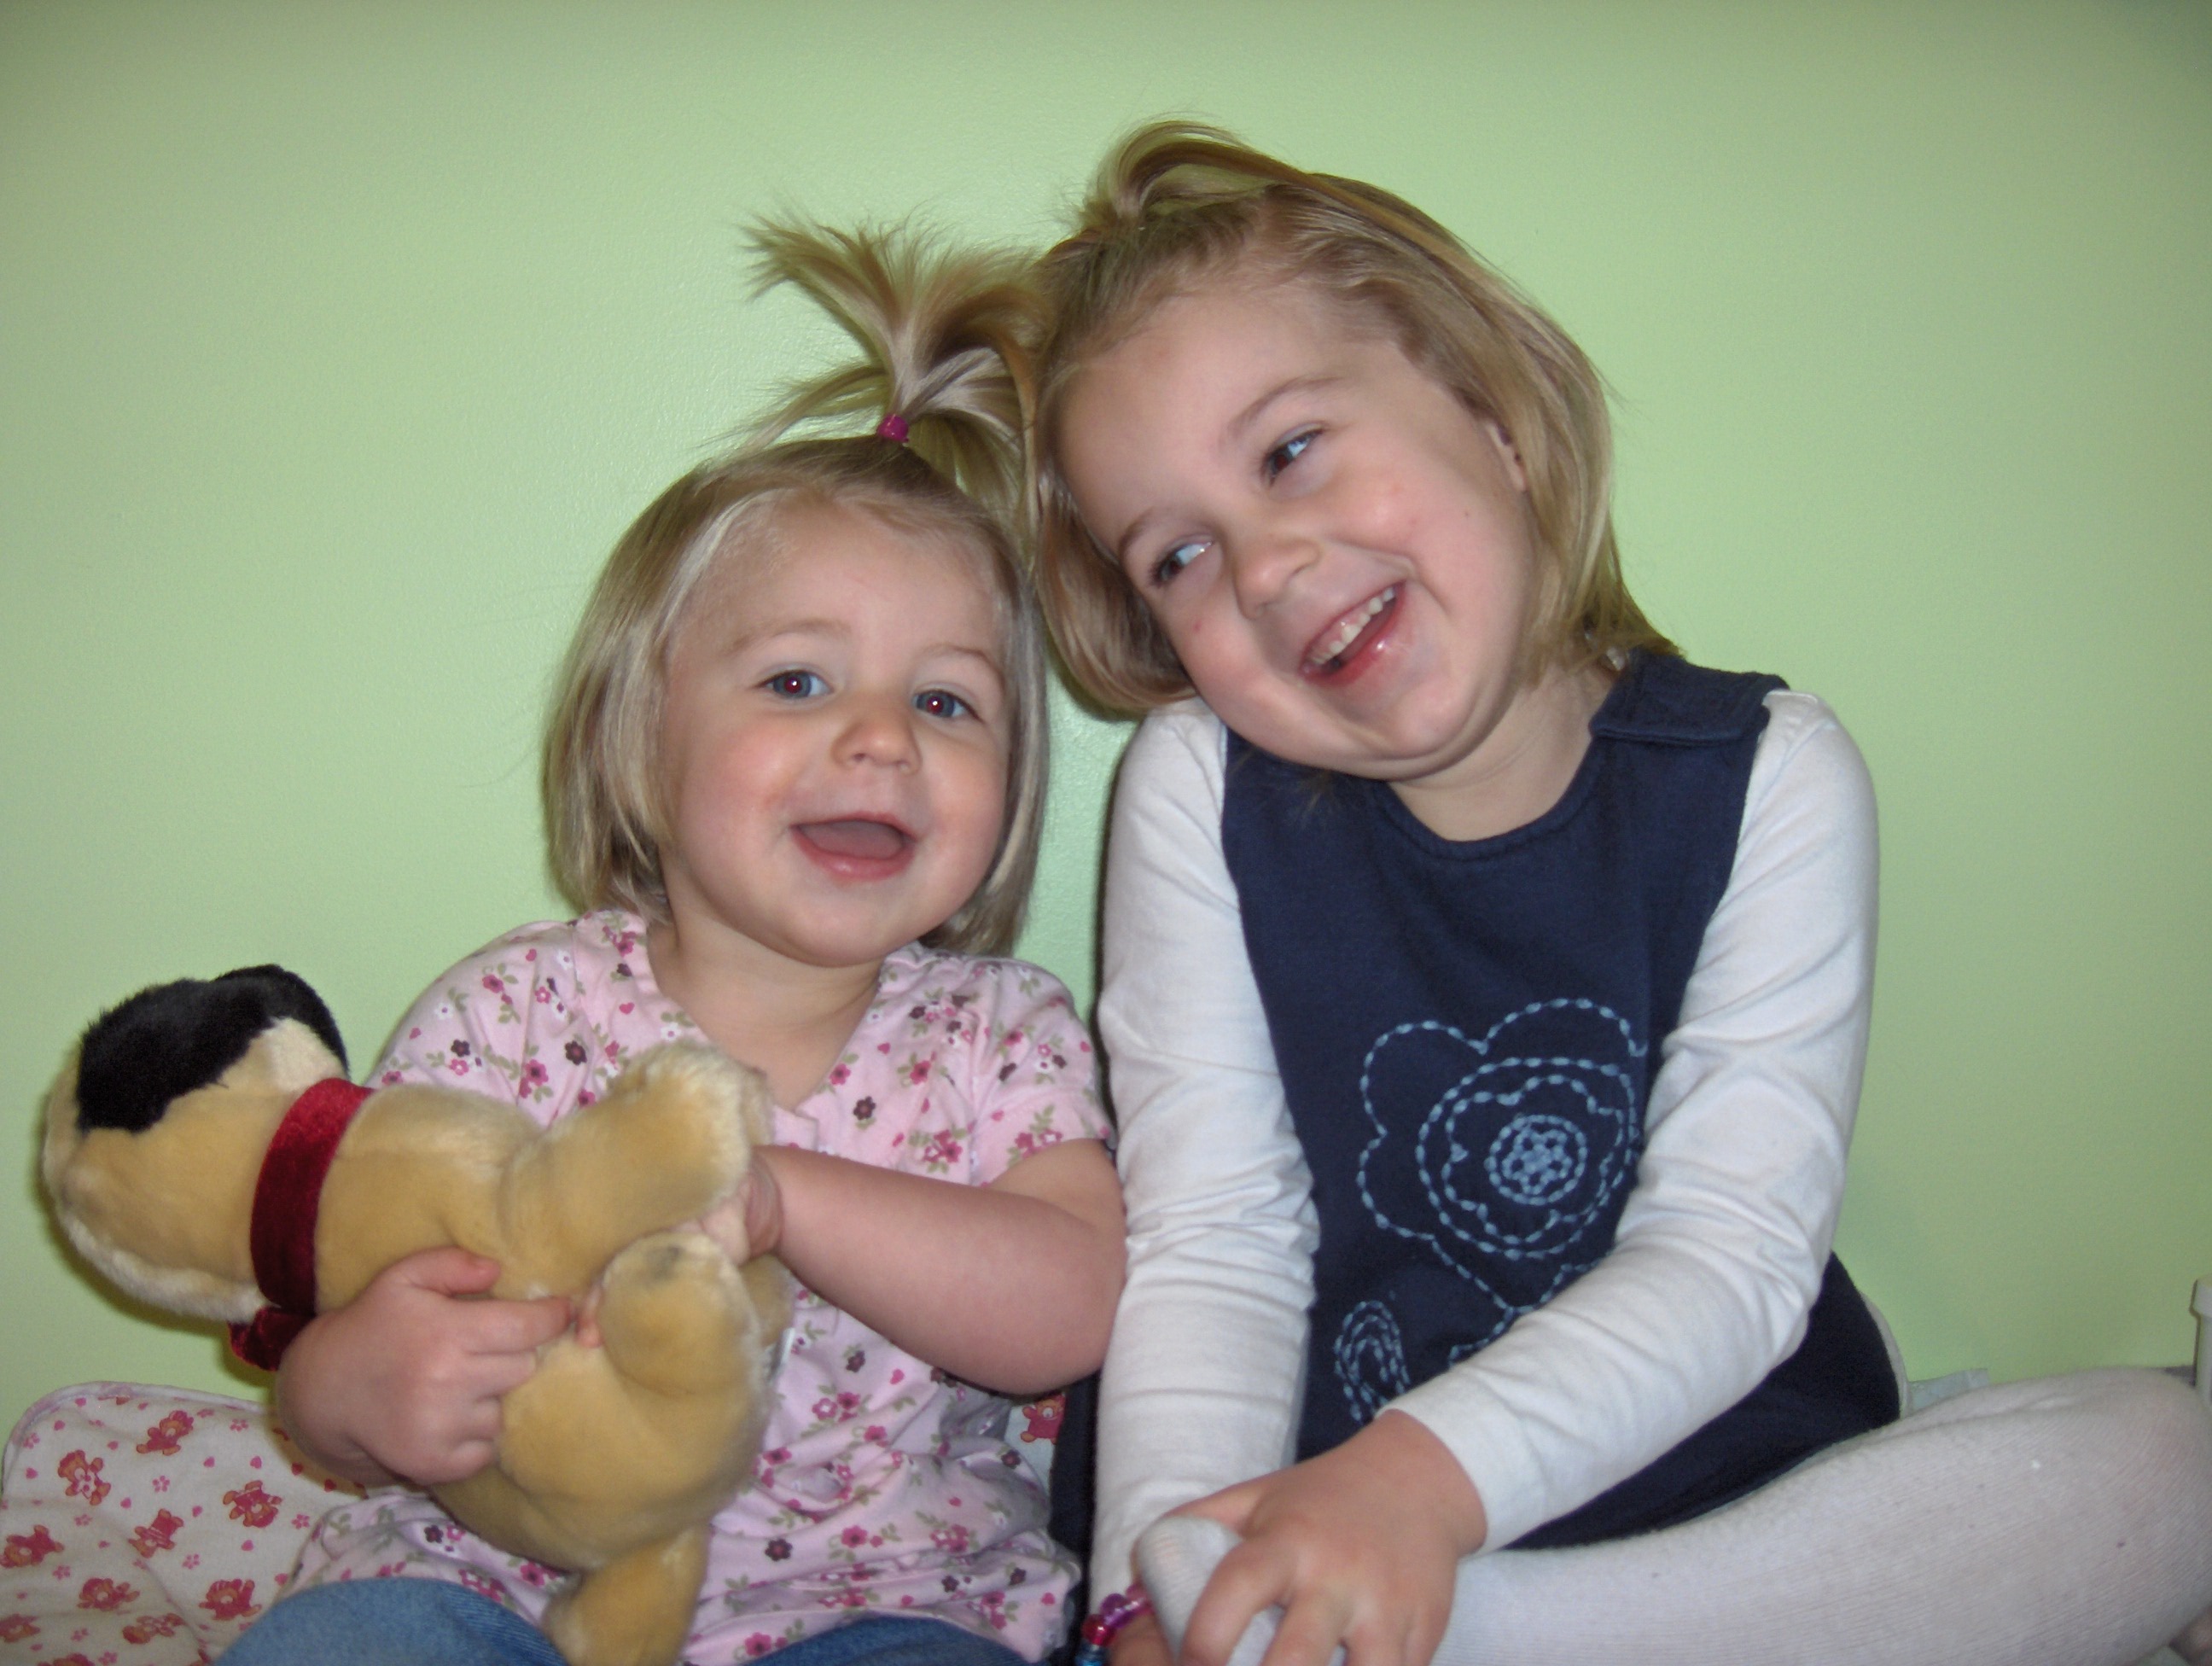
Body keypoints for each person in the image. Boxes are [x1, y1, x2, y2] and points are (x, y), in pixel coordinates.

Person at [1027, 123, 2212, 1666]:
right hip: (1313, 1500)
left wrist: (1426, 1491)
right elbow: (1216, 1244)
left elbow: (1730, 1255)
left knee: (2167, 1461)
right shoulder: (1197, 787)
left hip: (1715, 1486)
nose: (1262, 569)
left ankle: (1490, 1636)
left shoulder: (1766, 773)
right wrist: (1157, 1602)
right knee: (1214, 1583)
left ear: (1495, 418)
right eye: (1178, 555)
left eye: (1291, 450)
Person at [227, 223, 1125, 1666]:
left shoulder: (997, 1035)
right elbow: (349, 1311)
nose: (881, 739)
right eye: (797, 681)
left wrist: (776, 1193)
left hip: (881, 1602)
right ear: (640, 740)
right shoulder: (513, 1013)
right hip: (496, 1588)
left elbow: (1073, 1306)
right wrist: (344, 1391)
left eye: (947, 703)